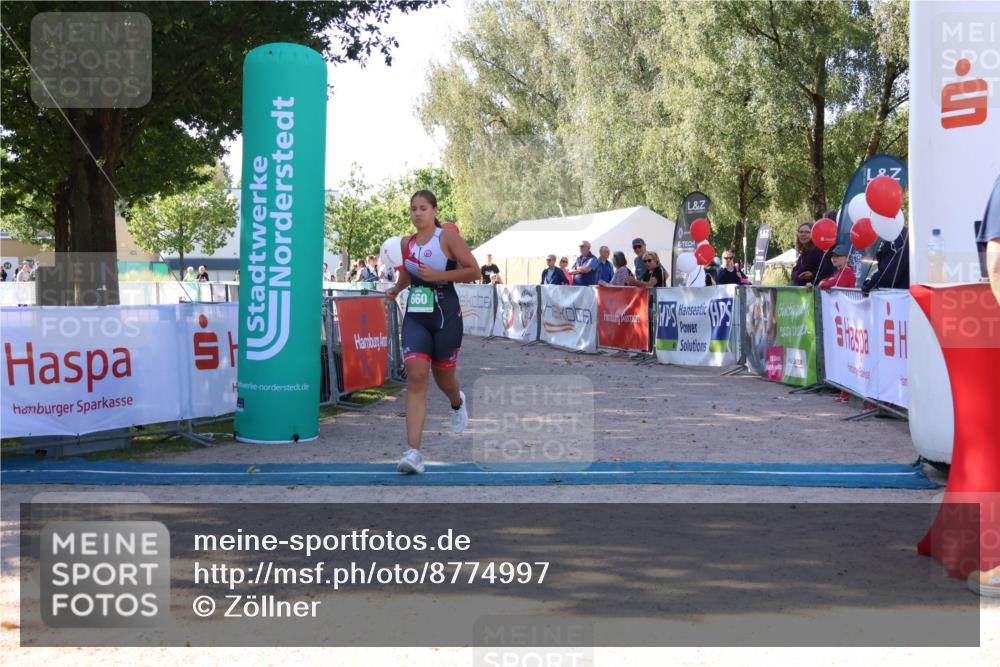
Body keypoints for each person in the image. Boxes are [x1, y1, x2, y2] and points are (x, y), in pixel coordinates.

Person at [384, 190, 479, 474]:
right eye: (413, 209)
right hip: (416, 314)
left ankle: (457, 401)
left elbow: (474, 271)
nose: (417, 213)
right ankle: (413, 453)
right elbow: (407, 272)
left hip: (446, 314)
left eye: (423, 208)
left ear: (434, 210)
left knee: (444, 378)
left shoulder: (447, 238)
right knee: (416, 377)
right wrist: (396, 288)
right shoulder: (406, 243)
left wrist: (439, 276)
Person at [790, 222, 825, 286]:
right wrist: (796, 275)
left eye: (807, 232)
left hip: (812, 287)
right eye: (801, 232)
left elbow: (800, 273)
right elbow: (794, 272)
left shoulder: (817, 251)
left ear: (814, 234)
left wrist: (812, 274)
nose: (803, 234)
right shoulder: (804, 251)